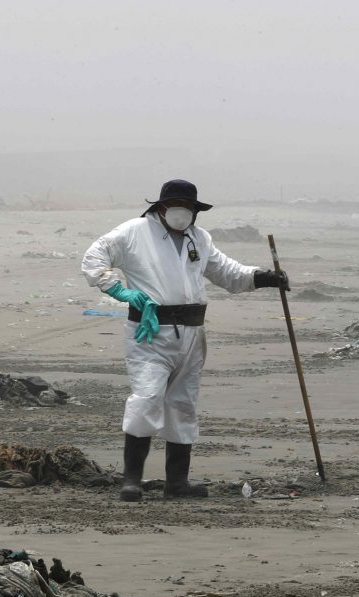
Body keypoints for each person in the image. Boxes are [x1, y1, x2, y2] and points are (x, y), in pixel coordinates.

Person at [81, 179, 289, 502]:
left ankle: (176, 482)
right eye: (176, 206)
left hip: (192, 333)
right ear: (161, 208)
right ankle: (131, 480)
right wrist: (119, 290)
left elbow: (228, 273)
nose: (182, 213)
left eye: (188, 207)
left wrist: (264, 278)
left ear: (195, 211)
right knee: (147, 397)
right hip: (151, 332)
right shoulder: (135, 232)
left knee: (183, 404)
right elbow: (94, 258)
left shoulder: (199, 239)